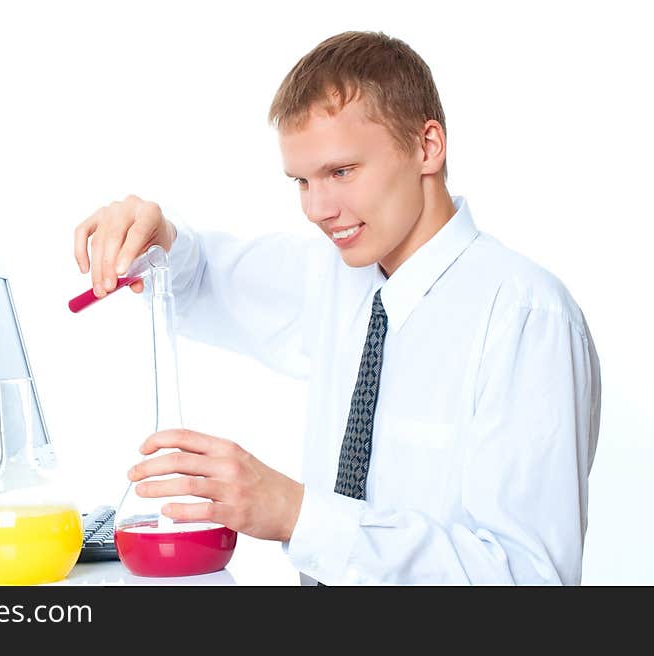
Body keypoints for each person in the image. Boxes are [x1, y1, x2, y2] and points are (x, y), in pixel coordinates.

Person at [72, 31, 601, 585]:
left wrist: (296, 514)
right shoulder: (334, 275)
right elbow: (201, 276)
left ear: (428, 146)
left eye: (341, 172)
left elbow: (530, 580)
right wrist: (158, 238)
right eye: (302, 180)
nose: (318, 209)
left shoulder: (525, 317)